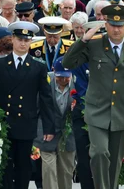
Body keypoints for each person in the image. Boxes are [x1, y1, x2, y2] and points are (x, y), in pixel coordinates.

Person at [63, 5, 124, 189]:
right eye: (112, 25)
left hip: (122, 112)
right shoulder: (93, 44)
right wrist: (82, 40)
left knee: (115, 159)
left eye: (121, 25)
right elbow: (67, 62)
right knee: (99, 152)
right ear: (106, 25)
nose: (116, 29)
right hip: (97, 110)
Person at [0, 21, 56, 189]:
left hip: (26, 122)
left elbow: (46, 98)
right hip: (4, 123)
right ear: (13, 40)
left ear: (30, 42)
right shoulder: (0, 64)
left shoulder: (38, 67)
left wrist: (48, 127)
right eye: (19, 39)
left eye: (26, 40)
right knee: (6, 165)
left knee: (24, 166)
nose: (23, 43)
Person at [36, 58, 76, 189]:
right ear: (54, 71)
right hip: (47, 133)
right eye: (59, 77)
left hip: (68, 135)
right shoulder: (45, 80)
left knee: (66, 171)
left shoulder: (78, 82)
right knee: (48, 169)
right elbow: (37, 108)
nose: (63, 80)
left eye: (66, 77)